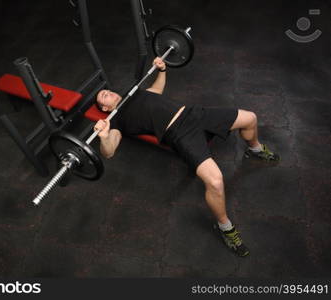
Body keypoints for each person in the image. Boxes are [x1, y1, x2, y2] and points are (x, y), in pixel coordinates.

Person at [94, 57, 280, 257]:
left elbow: (156, 91)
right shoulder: (117, 122)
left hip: (194, 113)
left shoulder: (133, 93)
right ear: (105, 109)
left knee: (250, 117)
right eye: (103, 96)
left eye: (106, 90)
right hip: (180, 134)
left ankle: (255, 148)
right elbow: (109, 151)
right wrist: (104, 137)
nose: (107, 92)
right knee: (216, 182)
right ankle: (226, 227)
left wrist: (162, 70)